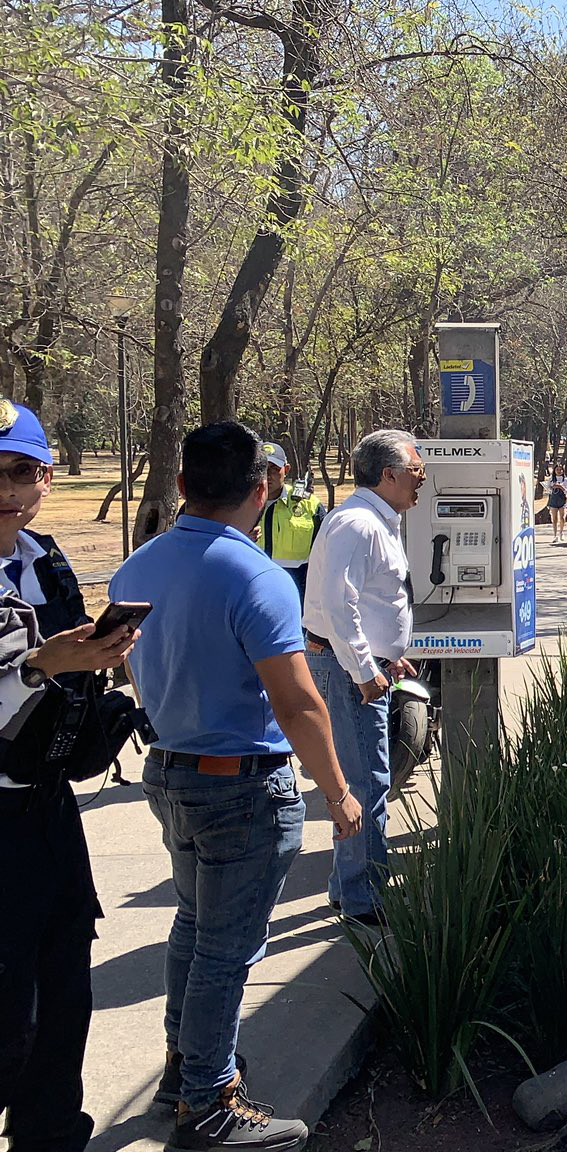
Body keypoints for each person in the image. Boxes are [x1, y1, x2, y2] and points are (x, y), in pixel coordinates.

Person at [112, 420, 363, 1150]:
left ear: (183, 486)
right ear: (262, 491)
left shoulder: (138, 567)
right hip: (241, 789)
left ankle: (184, 1068)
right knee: (227, 947)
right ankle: (210, 1100)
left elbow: (136, 667)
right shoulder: (254, 574)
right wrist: (339, 791)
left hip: (171, 773)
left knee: (194, 928)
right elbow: (297, 702)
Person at [0, 401, 142, 1152]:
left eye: (22, 471)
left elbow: (60, 674)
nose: (8, 489)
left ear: (47, 478)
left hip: (50, 812)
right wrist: (36, 664)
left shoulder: (45, 558)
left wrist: (94, 661)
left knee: (65, 999)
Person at [303, 430, 421, 925]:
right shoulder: (357, 523)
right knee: (367, 784)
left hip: (360, 668)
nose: (422, 480)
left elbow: (368, 604)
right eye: (417, 471)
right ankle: (364, 898)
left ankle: (345, 886)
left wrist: (386, 658)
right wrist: (366, 669)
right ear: (388, 474)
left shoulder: (378, 520)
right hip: (349, 673)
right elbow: (337, 605)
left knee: (363, 780)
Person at [255, 441, 324, 601]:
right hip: (255, 587)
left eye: (274, 469)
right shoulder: (241, 505)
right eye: (262, 469)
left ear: (286, 470)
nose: (268, 475)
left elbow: (326, 550)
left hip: (298, 590)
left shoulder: (309, 505)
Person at [545, 468, 567, 544]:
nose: (559, 471)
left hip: (562, 500)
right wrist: (553, 487)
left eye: (560, 470)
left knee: (562, 517)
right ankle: (555, 535)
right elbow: (548, 489)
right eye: (557, 470)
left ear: (563, 471)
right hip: (553, 500)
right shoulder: (551, 479)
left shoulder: (565, 480)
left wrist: (561, 487)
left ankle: (561, 533)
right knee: (554, 518)